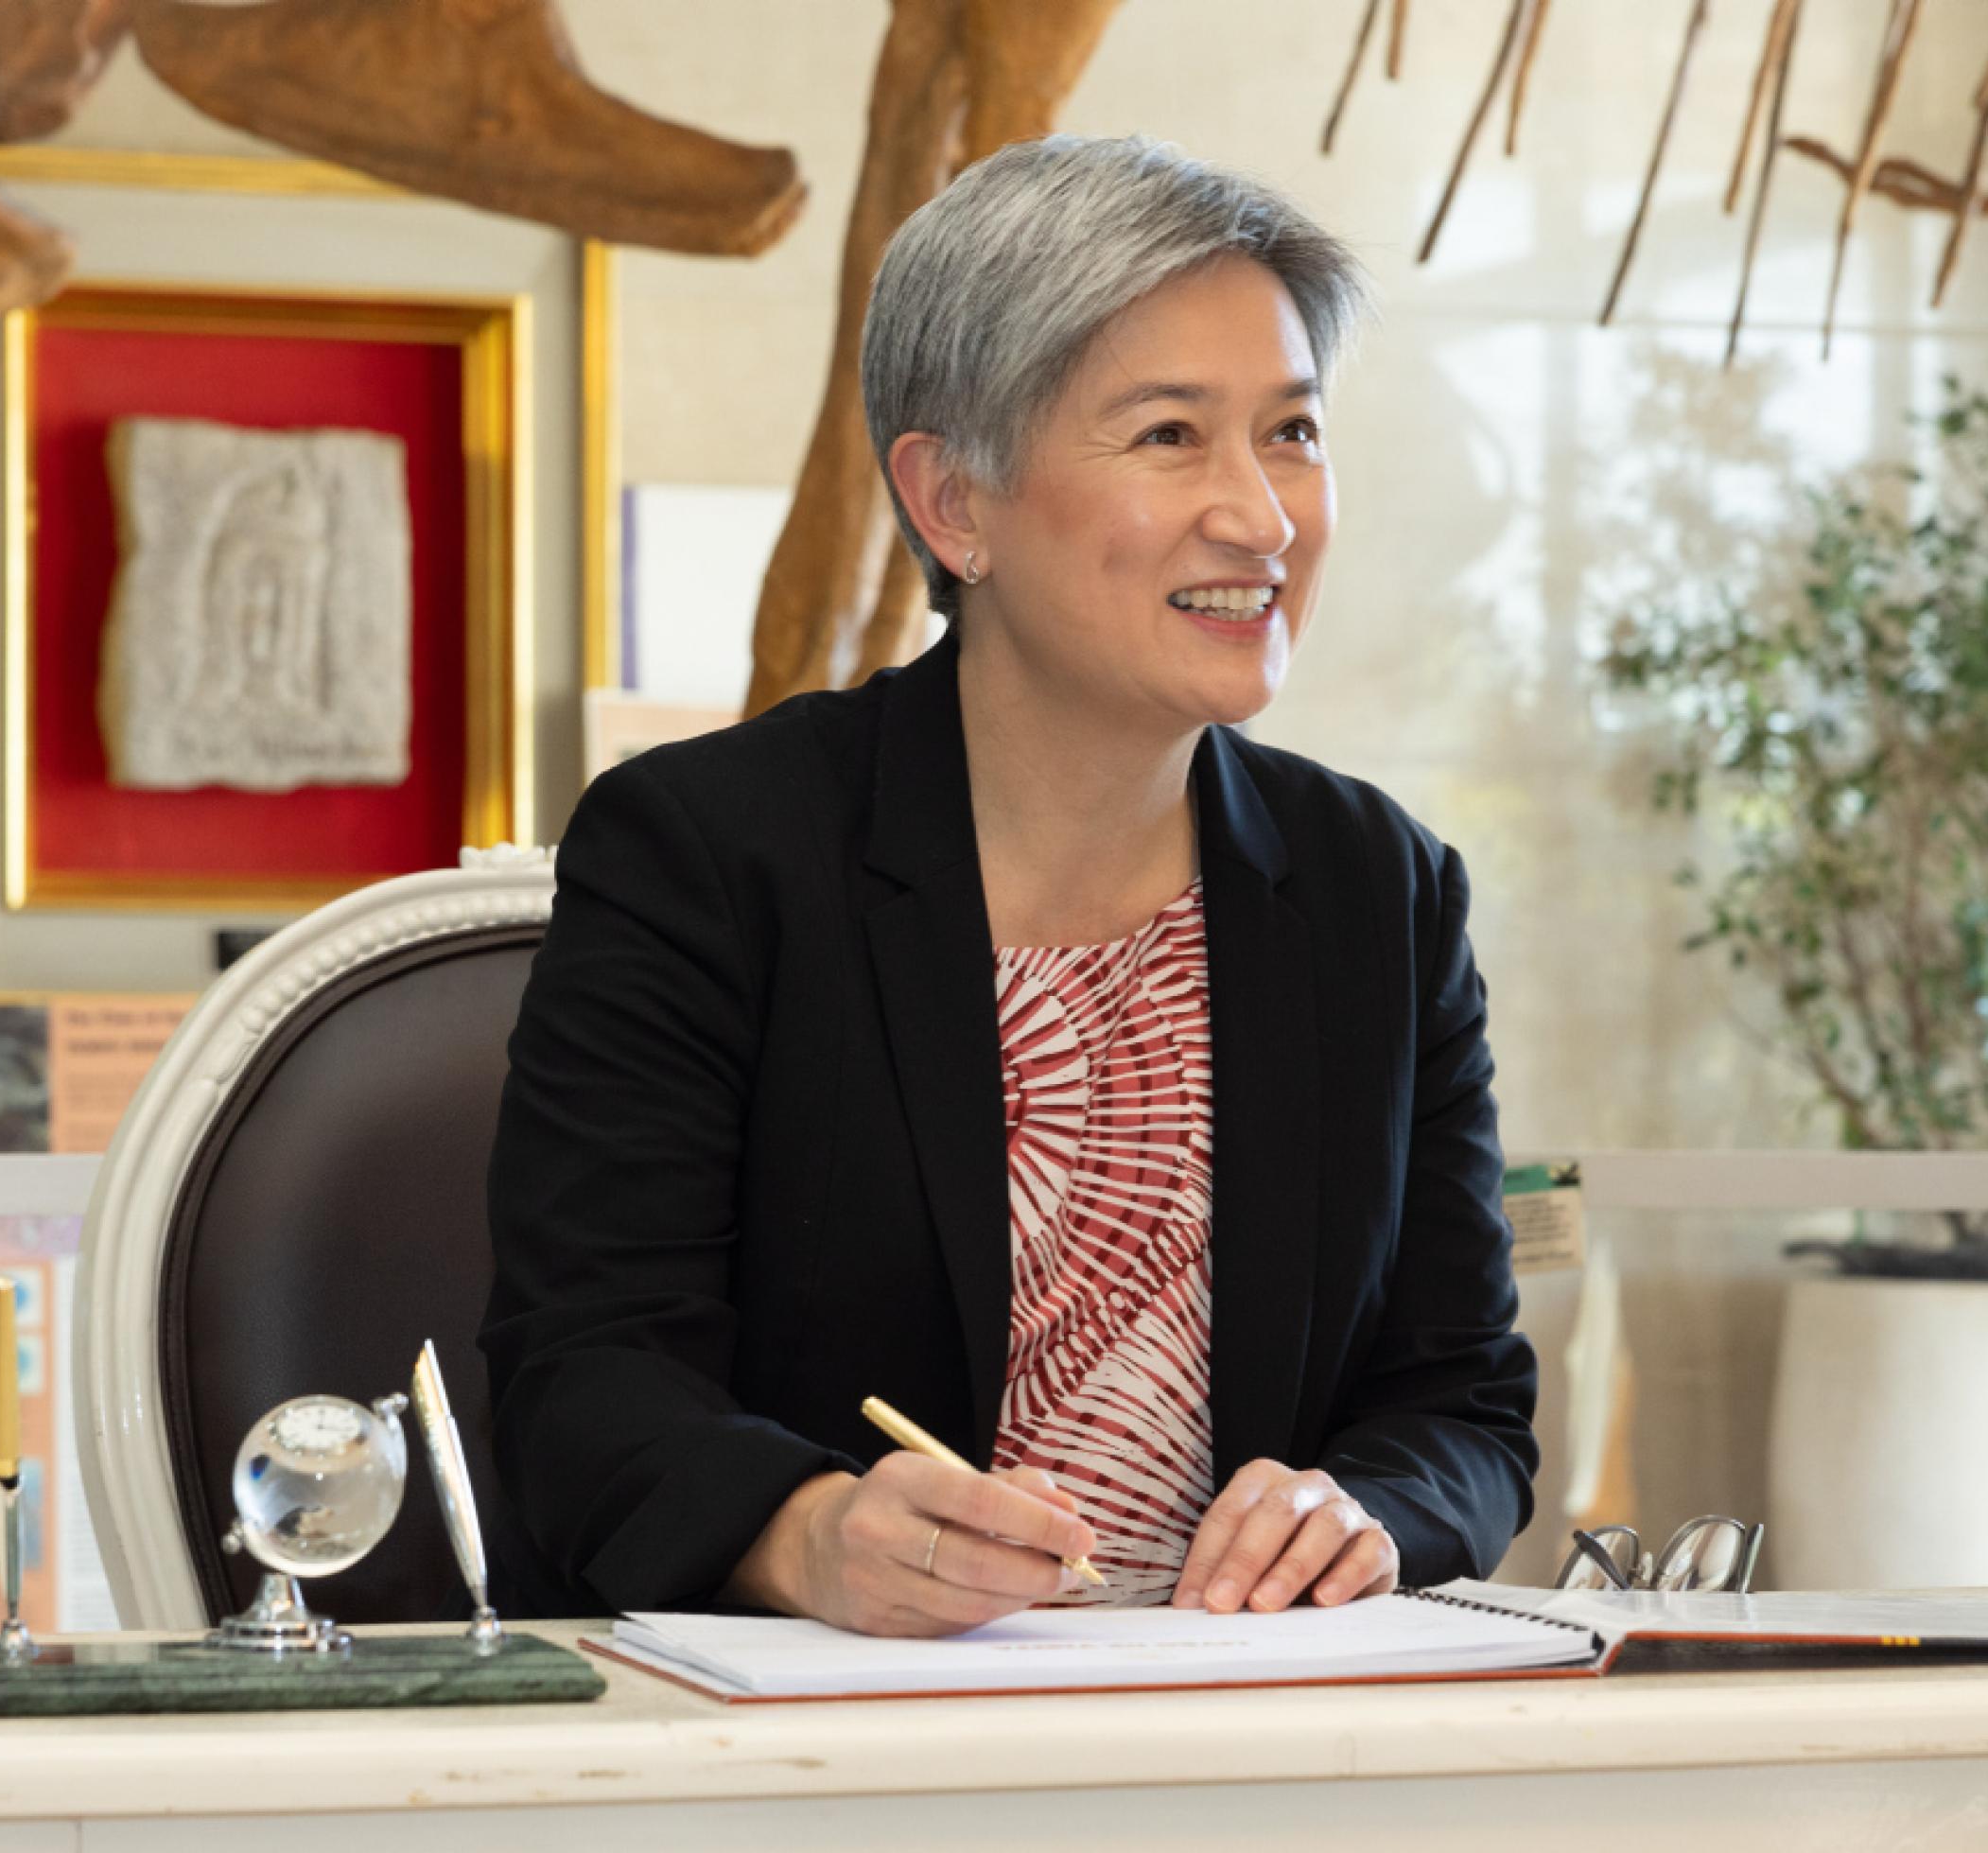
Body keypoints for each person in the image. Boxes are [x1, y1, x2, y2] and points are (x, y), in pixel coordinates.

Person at [480, 134, 1538, 1637]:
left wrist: (1368, 1512)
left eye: (1292, 431)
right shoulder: (705, 852)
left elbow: (1462, 1399)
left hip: (1253, 1738)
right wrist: (804, 1534)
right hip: (834, 1747)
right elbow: (583, 1374)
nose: (1262, 514)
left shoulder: (1381, 889)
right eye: (1171, 436)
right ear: (953, 501)